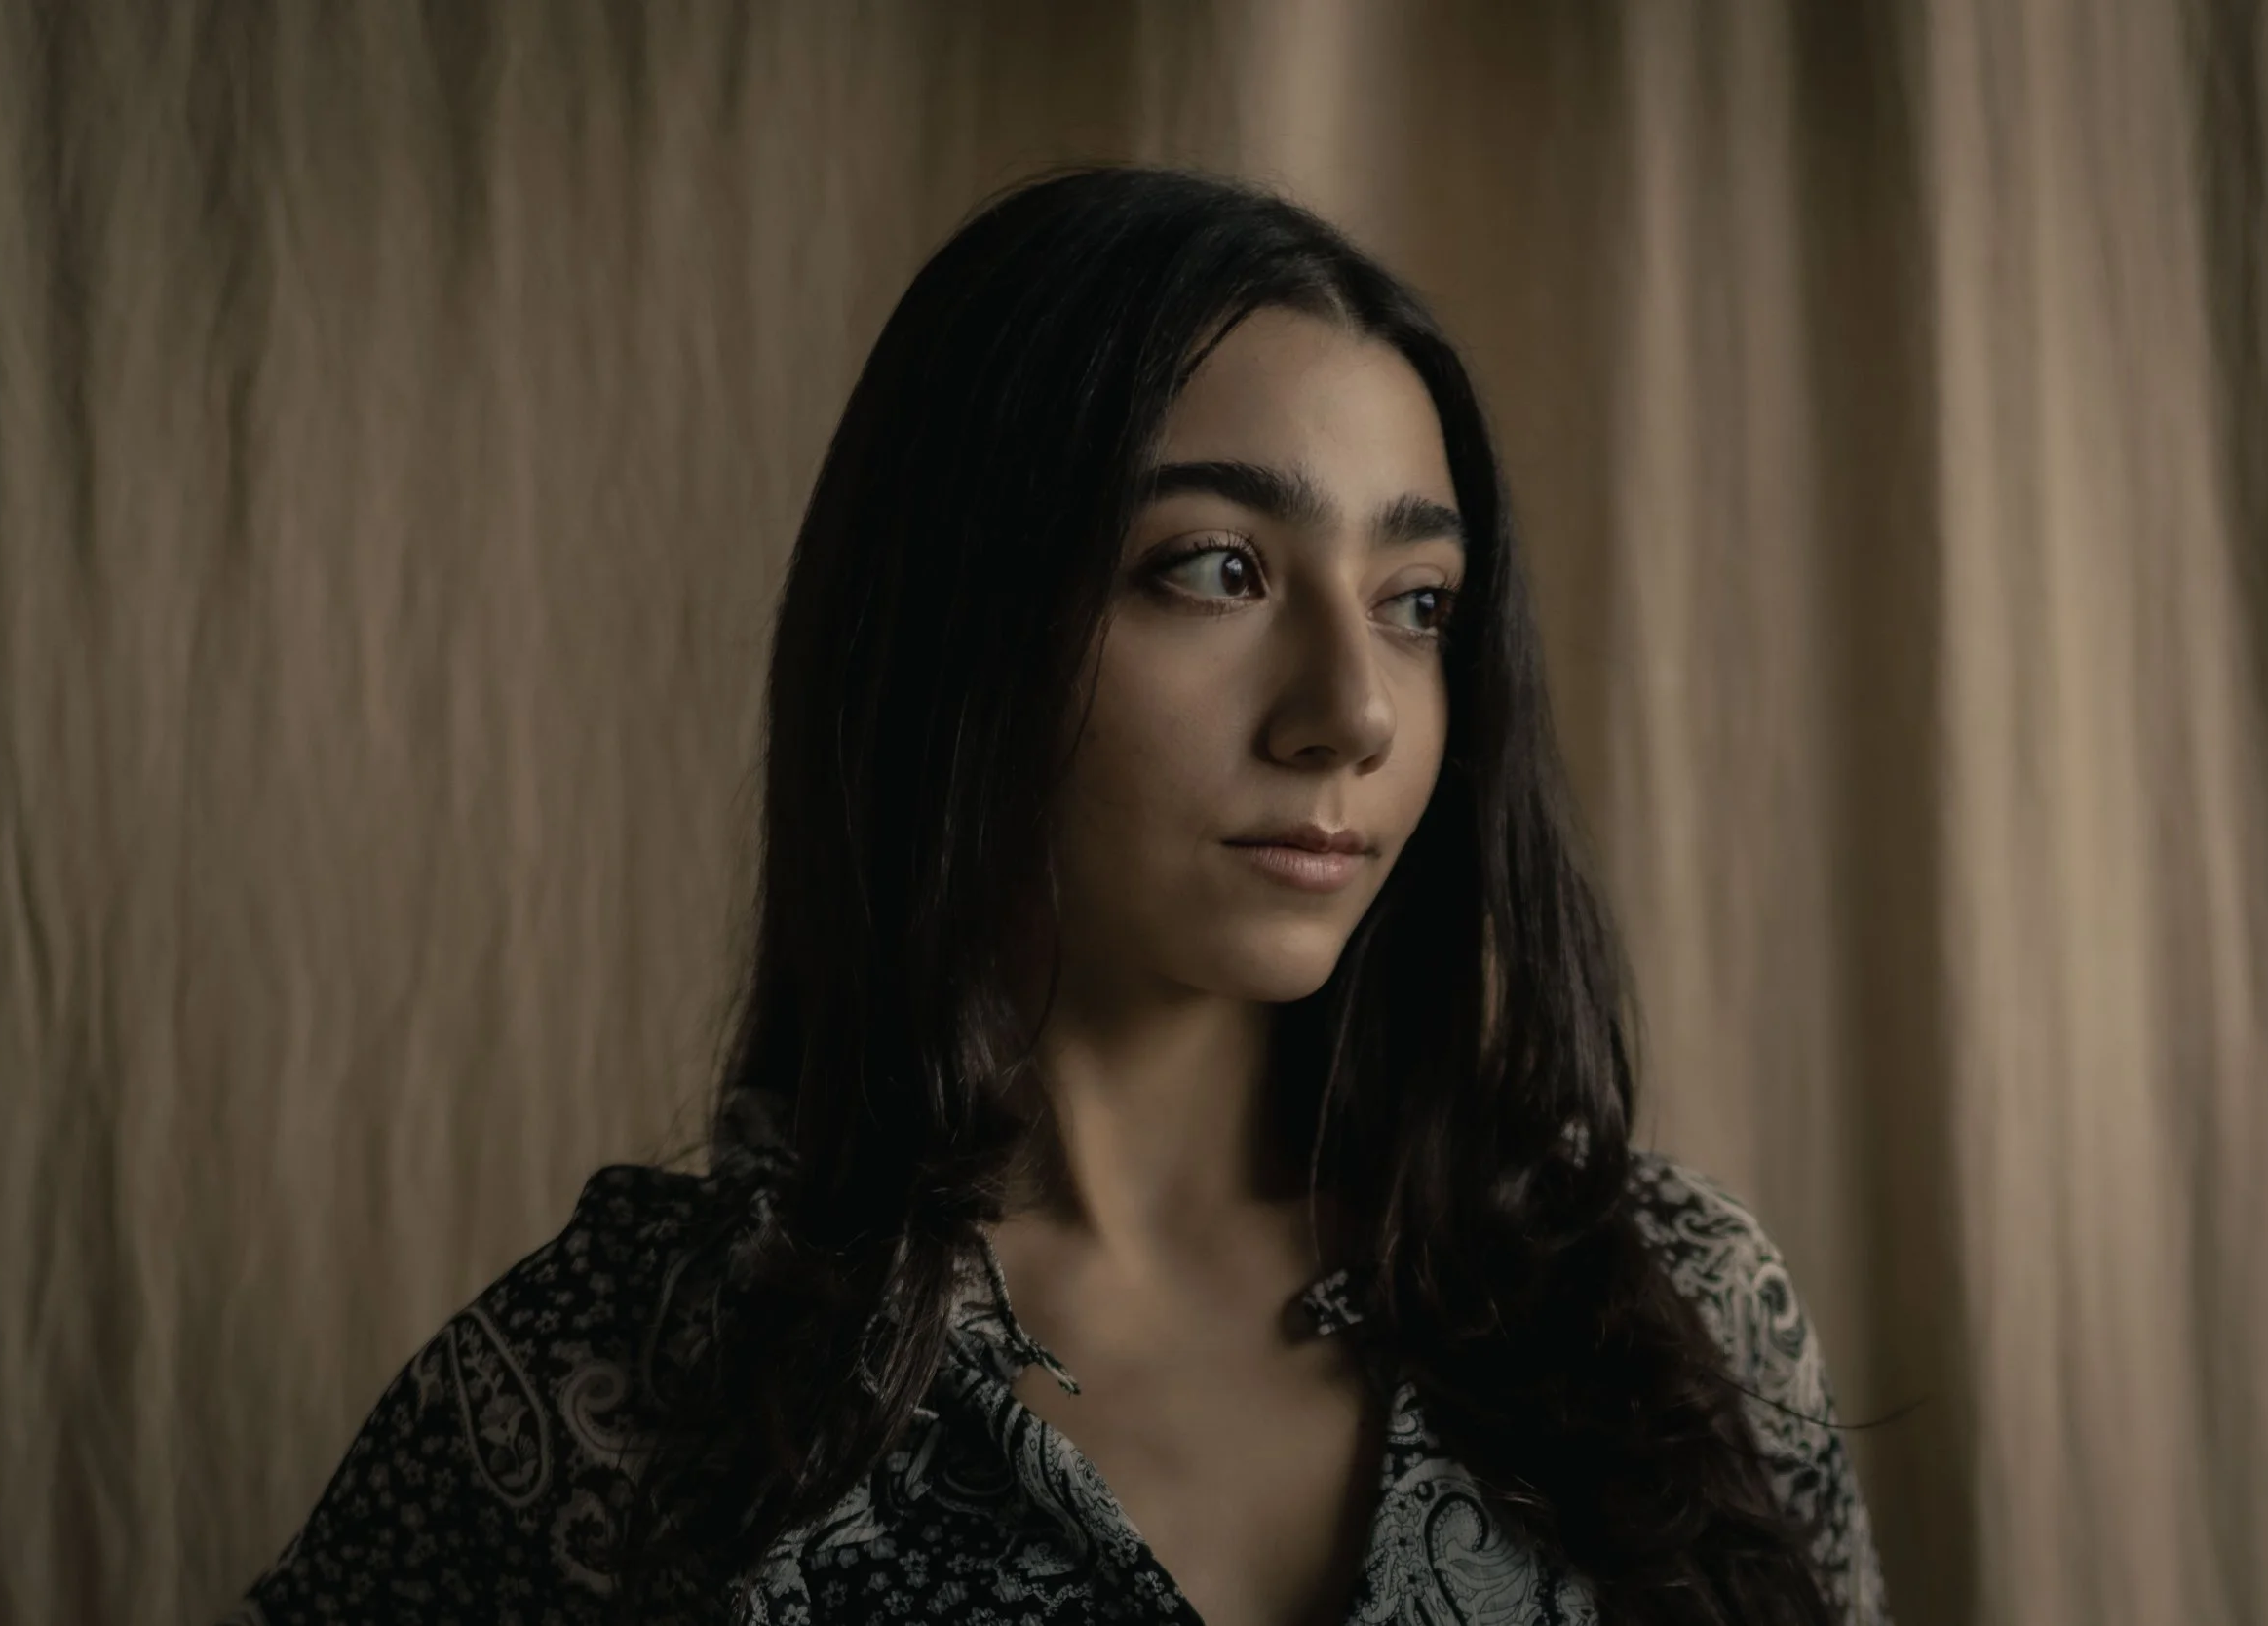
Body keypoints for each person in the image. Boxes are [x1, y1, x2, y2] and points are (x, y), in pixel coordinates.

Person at [221, 165, 1889, 1626]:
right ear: (960, 627)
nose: (1357, 710)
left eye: (1418, 599)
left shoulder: (1671, 1309)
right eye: (1217, 568)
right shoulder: (628, 1382)